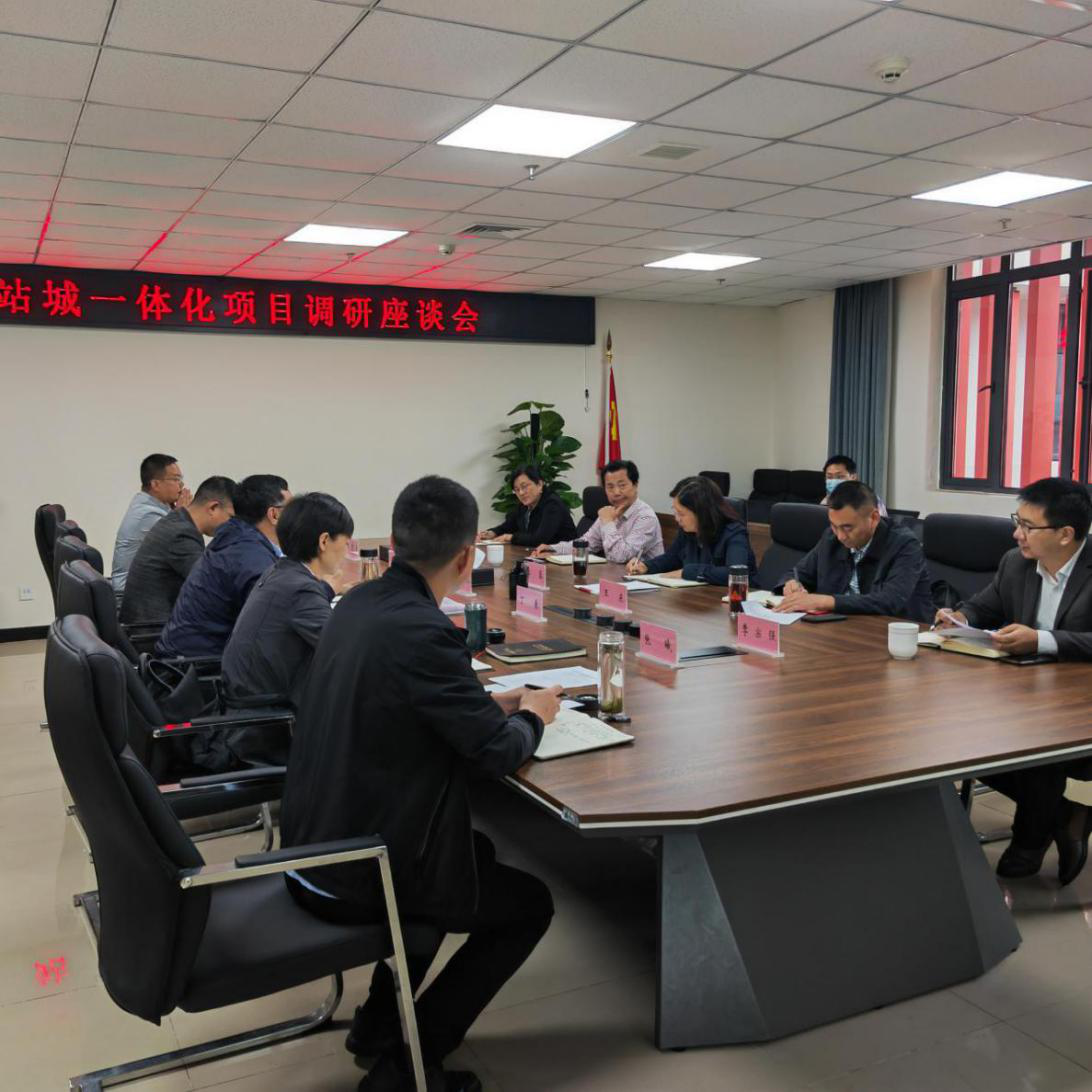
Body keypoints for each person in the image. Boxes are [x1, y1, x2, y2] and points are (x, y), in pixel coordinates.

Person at [280, 475, 560, 1092]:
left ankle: (378, 1024)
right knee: (528, 905)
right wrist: (534, 717)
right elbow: (493, 754)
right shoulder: (423, 630)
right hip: (358, 869)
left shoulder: (360, 603)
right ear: (467, 556)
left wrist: (490, 703)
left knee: (474, 853)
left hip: (310, 840)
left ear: (395, 540)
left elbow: (408, 700)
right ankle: (406, 1068)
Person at [934, 477, 1092, 883]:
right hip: (1027, 695)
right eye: (1016, 521)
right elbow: (984, 606)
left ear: (1065, 534)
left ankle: (1029, 841)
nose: (1016, 533)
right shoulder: (1015, 562)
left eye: (1027, 526)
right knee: (959, 739)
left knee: (1037, 745)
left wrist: (1041, 640)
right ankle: (1064, 815)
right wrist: (960, 617)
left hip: (1080, 707)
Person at [222, 492, 356, 712]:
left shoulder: (280, 571)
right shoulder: (300, 589)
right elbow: (347, 649)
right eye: (345, 542)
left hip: (249, 696)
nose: (346, 552)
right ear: (324, 541)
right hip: (266, 714)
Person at [155, 474, 290, 660]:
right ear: (274, 514)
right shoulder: (249, 557)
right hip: (199, 666)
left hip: (186, 656)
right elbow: (274, 624)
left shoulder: (236, 538)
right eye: (291, 510)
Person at [774, 480, 932, 621]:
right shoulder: (831, 538)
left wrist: (823, 601)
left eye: (848, 527)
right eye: (834, 526)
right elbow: (797, 573)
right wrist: (791, 584)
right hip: (841, 627)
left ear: (874, 518)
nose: (841, 536)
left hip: (893, 632)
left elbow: (889, 601)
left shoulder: (904, 544)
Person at [119, 476, 235, 626]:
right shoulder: (182, 534)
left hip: (147, 624)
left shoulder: (176, 520)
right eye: (231, 517)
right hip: (152, 630)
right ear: (213, 508)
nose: (232, 525)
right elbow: (211, 585)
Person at [626, 475, 757, 585]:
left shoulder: (734, 533)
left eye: (681, 514)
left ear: (701, 513)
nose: (677, 518)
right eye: (675, 512)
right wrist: (646, 566)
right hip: (699, 598)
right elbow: (672, 558)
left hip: (733, 601)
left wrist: (687, 572)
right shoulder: (687, 530)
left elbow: (734, 573)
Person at [531, 458, 663, 564]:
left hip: (644, 584)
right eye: (610, 487)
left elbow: (620, 557)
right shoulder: (609, 513)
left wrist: (608, 522)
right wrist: (552, 549)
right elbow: (586, 544)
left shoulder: (645, 517)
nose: (616, 492)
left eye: (622, 485)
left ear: (635, 485)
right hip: (615, 579)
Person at [111, 453, 191, 600]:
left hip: (139, 591)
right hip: (131, 598)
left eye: (181, 479)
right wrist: (182, 516)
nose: (181, 485)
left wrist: (177, 514)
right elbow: (184, 549)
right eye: (175, 479)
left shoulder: (151, 505)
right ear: (155, 484)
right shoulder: (148, 515)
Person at [477, 465, 576, 548]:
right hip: (537, 556)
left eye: (524, 487)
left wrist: (510, 537)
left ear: (539, 484)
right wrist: (491, 533)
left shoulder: (553, 504)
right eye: (516, 489)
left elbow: (539, 539)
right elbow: (507, 526)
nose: (521, 493)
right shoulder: (524, 506)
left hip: (564, 559)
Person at [822, 454, 888, 516]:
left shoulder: (869, 499)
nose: (834, 481)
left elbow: (880, 523)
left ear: (853, 477)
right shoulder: (828, 499)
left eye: (839, 477)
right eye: (829, 477)